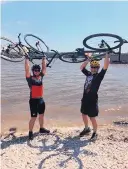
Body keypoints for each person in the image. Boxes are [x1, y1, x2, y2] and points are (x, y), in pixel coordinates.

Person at [80, 52, 110, 140]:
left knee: (92, 117)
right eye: (92, 67)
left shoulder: (99, 76)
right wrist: (87, 60)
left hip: (92, 100)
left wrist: (107, 55)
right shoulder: (88, 74)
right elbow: (81, 68)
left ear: (97, 68)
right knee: (83, 114)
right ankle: (86, 128)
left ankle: (95, 133)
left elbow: (106, 67)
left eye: (95, 67)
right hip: (85, 99)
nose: (93, 69)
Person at [25, 55, 50, 140]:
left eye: (38, 70)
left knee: (42, 116)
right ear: (33, 71)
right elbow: (27, 69)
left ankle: (42, 129)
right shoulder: (30, 79)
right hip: (33, 101)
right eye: (35, 70)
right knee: (33, 117)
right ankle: (30, 132)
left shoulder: (41, 77)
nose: (37, 71)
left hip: (41, 100)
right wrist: (27, 59)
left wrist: (44, 59)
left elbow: (44, 68)